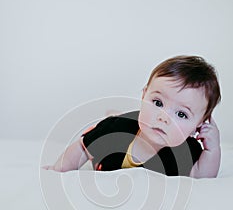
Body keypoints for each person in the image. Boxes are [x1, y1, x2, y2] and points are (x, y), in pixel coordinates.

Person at [43, 55, 221, 178]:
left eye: (181, 114)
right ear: (144, 96)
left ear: (197, 126)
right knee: (100, 131)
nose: (163, 117)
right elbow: (82, 147)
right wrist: (59, 169)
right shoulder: (115, 130)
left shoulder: (185, 152)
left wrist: (212, 150)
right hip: (113, 143)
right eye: (157, 103)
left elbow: (201, 176)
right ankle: (111, 114)